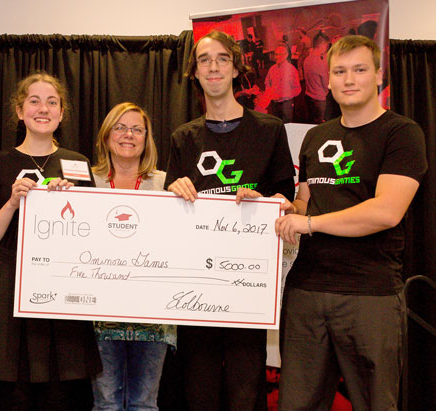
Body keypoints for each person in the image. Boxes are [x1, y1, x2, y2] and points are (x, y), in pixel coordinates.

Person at [275, 35, 427, 410]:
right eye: (340, 71)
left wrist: (309, 224)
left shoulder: (402, 133)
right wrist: (278, 209)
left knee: (375, 403)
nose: (349, 79)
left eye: (359, 70)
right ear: (328, 80)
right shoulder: (315, 136)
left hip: (369, 294)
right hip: (307, 292)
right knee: (296, 403)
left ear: (378, 75)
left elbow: (385, 212)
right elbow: (304, 204)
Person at [165, 30, 295, 411]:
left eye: (222, 58)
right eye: (204, 60)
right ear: (195, 73)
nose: (214, 66)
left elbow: (287, 202)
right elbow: (170, 215)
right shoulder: (183, 138)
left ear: (237, 68)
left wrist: (266, 201)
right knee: (199, 391)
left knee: (245, 391)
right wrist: (175, 190)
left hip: (247, 287)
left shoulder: (269, 130)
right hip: (196, 289)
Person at [0, 72, 101, 410]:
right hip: (9, 287)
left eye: (52, 102)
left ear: (62, 112)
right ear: (19, 110)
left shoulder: (78, 164)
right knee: (13, 396)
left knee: (59, 395)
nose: (44, 109)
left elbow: (92, 237)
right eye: (34, 101)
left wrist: (73, 205)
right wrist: (13, 201)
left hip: (61, 290)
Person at [90, 102, 176, 410]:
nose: (129, 135)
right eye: (120, 127)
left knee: (144, 404)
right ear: (106, 135)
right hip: (101, 315)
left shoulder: (168, 184)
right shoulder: (87, 183)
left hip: (153, 316)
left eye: (137, 129)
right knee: (106, 403)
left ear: (147, 138)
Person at [264, 44, 301, 123]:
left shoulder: (292, 70)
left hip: (286, 104)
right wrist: (269, 93)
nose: (276, 57)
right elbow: (267, 83)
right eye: (276, 54)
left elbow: (297, 89)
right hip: (274, 104)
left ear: (286, 55)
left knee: (287, 125)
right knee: (277, 125)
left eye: (279, 55)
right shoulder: (272, 69)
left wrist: (283, 95)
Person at [303, 32, 330, 123]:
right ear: (323, 45)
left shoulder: (306, 60)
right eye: (326, 46)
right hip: (319, 99)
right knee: (319, 124)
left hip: (308, 95)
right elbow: (326, 84)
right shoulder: (321, 63)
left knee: (310, 120)